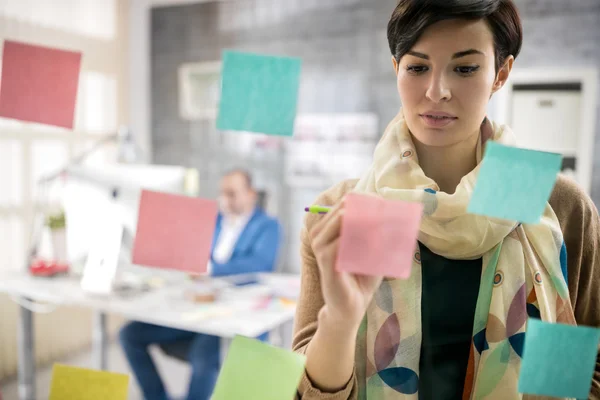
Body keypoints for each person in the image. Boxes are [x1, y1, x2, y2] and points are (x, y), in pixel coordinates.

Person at [293, 1, 600, 399]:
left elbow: (590, 367)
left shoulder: (554, 205)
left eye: (465, 68)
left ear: (500, 74)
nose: (436, 91)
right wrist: (340, 319)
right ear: (396, 69)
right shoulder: (341, 211)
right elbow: (305, 392)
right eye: (418, 67)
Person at [120, 169, 282, 400]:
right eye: (221, 193)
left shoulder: (268, 226)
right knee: (130, 334)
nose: (224, 199)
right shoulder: (211, 220)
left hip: (231, 318)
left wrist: (210, 269)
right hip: (193, 309)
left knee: (203, 355)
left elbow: (260, 264)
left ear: (251, 195)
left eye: (232, 193)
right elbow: (186, 250)